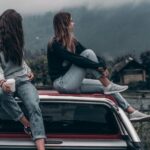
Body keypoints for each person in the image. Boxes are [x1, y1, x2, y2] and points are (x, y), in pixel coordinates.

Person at [47, 11, 150, 121]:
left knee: (106, 88)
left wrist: (102, 65)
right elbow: (76, 59)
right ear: (64, 24)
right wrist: (98, 67)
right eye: (71, 21)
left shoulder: (72, 42)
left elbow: (87, 53)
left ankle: (131, 111)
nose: (74, 23)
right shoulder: (54, 44)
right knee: (88, 54)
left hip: (72, 82)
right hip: (62, 83)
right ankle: (107, 84)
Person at [0, 9, 46, 150]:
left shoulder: (17, 41)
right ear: (13, 25)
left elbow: (21, 62)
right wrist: (1, 82)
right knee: (1, 94)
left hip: (23, 80)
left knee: (33, 105)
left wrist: (29, 71)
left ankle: (41, 147)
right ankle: (26, 124)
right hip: (7, 81)